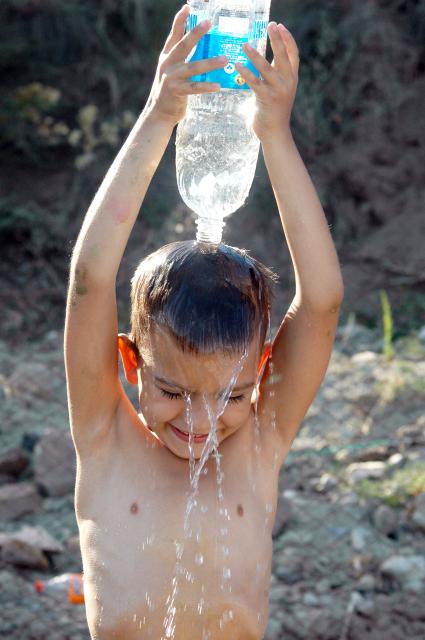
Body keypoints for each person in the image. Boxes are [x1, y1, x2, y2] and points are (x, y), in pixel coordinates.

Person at [64, 5, 344, 639]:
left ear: (261, 373)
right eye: (171, 391)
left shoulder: (260, 445)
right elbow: (89, 281)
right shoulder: (104, 439)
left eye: (230, 396)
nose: (199, 421)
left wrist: (273, 133)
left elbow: (321, 299)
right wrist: (161, 114)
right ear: (129, 363)